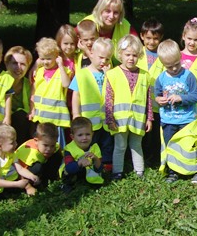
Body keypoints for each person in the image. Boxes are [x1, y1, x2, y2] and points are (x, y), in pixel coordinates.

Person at [154, 40, 197, 184]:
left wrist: (181, 98)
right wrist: (159, 100)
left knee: (189, 146)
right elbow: (156, 94)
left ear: (180, 58)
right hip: (168, 120)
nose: (175, 68)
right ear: (163, 64)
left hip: (187, 120)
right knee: (170, 147)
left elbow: (196, 95)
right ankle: (173, 172)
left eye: (177, 64)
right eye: (170, 67)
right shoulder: (161, 78)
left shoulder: (188, 76)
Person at [104, 35, 152, 179]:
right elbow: (108, 97)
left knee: (136, 145)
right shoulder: (112, 74)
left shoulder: (145, 75)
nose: (131, 58)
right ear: (120, 55)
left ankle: (139, 171)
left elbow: (148, 98)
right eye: (127, 55)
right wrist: (109, 118)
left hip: (138, 118)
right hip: (120, 119)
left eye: (134, 55)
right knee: (120, 146)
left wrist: (149, 118)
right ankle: (117, 171)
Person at [70, 38, 114, 173]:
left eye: (107, 59)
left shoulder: (110, 74)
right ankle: (86, 164)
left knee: (107, 143)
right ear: (92, 54)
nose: (103, 62)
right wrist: (76, 114)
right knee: (90, 143)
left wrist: (109, 75)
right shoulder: (82, 74)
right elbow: (76, 95)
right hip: (89, 120)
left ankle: (106, 164)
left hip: (106, 119)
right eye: (101, 58)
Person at [29, 37, 73, 148]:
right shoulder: (39, 72)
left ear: (56, 56)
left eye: (49, 59)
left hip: (57, 119)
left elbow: (66, 84)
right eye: (42, 59)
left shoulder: (63, 71)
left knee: (58, 147)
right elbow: (33, 93)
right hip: (41, 118)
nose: (45, 62)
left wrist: (60, 66)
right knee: (42, 145)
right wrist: (32, 109)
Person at [79, 0, 137, 65]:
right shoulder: (86, 24)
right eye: (107, 11)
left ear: (120, 14)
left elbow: (138, 51)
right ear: (100, 10)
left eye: (116, 12)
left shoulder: (126, 26)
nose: (111, 16)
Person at [138, 18, 166, 166]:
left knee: (155, 132)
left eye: (155, 38)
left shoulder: (163, 55)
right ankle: (139, 155)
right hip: (139, 101)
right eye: (148, 38)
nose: (151, 42)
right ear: (142, 36)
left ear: (160, 38)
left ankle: (154, 156)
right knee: (140, 131)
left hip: (156, 103)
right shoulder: (137, 53)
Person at [14, 122, 62, 195]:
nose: (49, 149)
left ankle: (51, 179)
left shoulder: (54, 147)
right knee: (37, 167)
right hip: (21, 172)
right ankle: (32, 186)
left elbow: (58, 149)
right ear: (36, 141)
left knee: (57, 155)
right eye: (45, 145)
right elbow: (19, 171)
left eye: (52, 145)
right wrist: (28, 187)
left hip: (40, 163)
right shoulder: (30, 154)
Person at [59, 117, 103, 192]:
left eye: (88, 134)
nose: (84, 138)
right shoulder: (69, 149)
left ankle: (87, 182)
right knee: (69, 173)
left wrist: (95, 159)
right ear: (72, 137)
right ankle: (67, 185)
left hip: (85, 171)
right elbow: (69, 168)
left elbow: (99, 169)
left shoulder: (95, 147)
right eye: (80, 135)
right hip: (69, 171)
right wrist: (79, 163)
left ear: (92, 134)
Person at [5, 46, 34, 146]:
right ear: (7, 64)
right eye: (14, 63)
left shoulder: (28, 84)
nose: (18, 67)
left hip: (22, 126)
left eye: (23, 64)